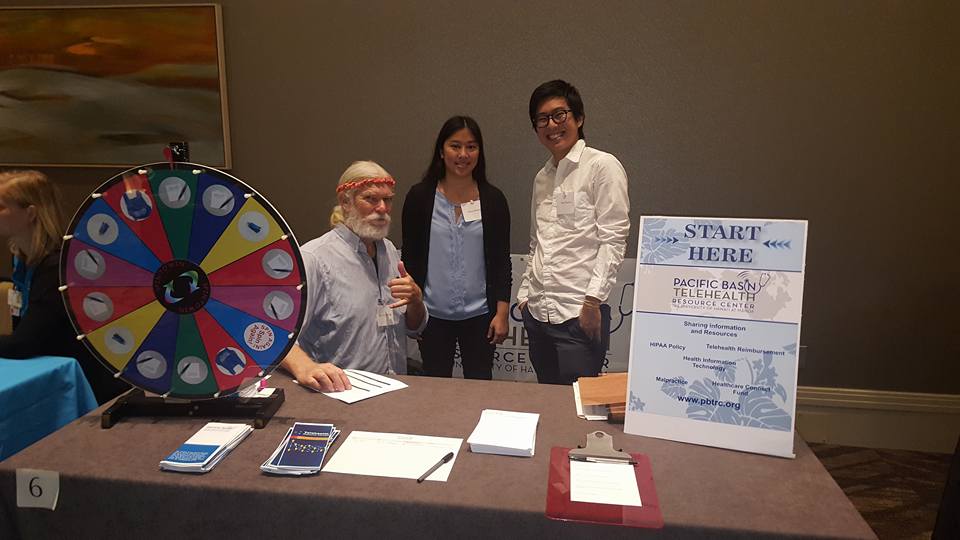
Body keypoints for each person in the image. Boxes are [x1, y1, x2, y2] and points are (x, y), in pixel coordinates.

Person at [517, 80, 630, 385]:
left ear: (578, 118)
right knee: (548, 402)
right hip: (539, 314)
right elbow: (535, 241)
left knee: (578, 410)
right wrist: (525, 296)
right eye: (542, 119)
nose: (551, 125)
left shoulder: (602, 166)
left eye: (559, 115)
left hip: (579, 315)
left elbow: (613, 240)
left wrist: (593, 302)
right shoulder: (542, 178)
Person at [280, 160, 428, 392]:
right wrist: (305, 367)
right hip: (341, 396)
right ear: (345, 202)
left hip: (395, 389)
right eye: (370, 199)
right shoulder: (314, 258)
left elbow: (413, 327)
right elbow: (277, 334)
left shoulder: (388, 250)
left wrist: (416, 300)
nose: (382, 208)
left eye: (388, 200)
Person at [0, 170, 129, 404]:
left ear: (30, 214)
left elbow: (24, 344)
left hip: (85, 384)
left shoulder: (56, 268)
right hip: (46, 368)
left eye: (2, 207)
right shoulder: (22, 259)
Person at [401, 116, 511, 379]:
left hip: (480, 316)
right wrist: (413, 310)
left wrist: (502, 313)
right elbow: (411, 258)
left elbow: (500, 261)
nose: (463, 154)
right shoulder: (420, 197)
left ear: (479, 152)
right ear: (441, 150)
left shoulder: (493, 200)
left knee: (479, 386)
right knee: (434, 390)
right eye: (455, 146)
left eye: (471, 147)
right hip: (432, 315)